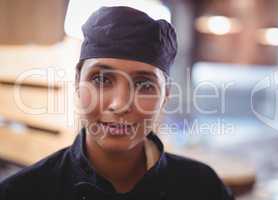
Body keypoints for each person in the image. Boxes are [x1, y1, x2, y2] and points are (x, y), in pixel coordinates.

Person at [0, 6, 234, 200]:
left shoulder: (203, 188)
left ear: (165, 96)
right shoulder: (22, 192)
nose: (120, 103)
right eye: (101, 79)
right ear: (77, 83)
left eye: (144, 85)